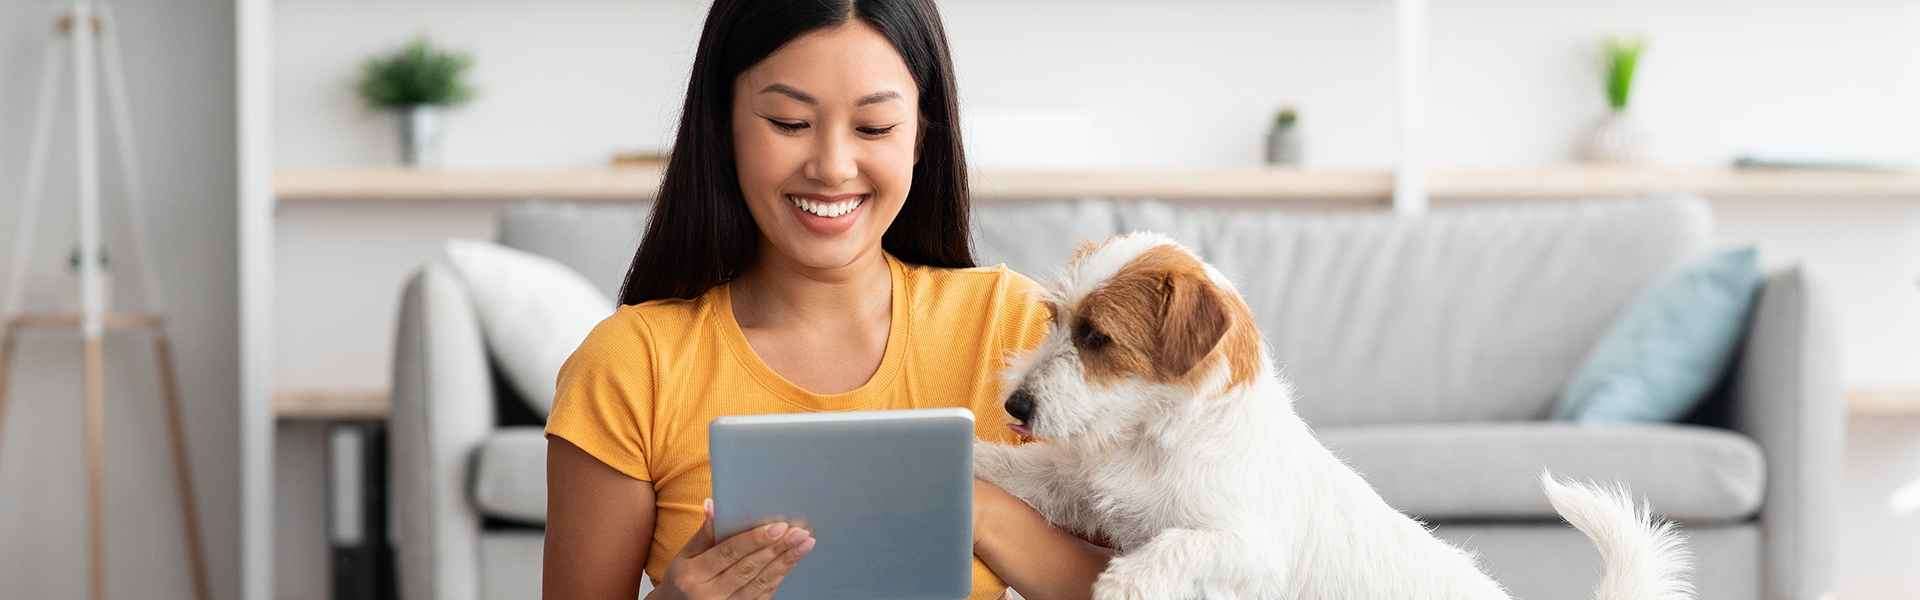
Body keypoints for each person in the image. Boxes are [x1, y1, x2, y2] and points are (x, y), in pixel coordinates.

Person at [540, 1, 1111, 598]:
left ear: (920, 135)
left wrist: (979, 511)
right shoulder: (631, 364)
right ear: (723, 127)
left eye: (874, 128)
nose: (833, 168)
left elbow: (1154, 579)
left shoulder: (1018, 331)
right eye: (788, 122)